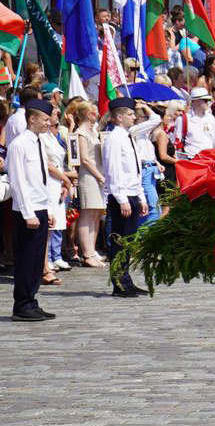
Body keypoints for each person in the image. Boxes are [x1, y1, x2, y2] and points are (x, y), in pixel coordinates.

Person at [7, 99, 60, 321]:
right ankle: (22, 305)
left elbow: (41, 179)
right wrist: (28, 212)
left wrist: (47, 208)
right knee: (27, 259)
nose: (49, 123)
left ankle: (31, 299)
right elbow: (18, 181)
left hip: (39, 207)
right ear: (32, 119)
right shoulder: (19, 144)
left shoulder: (38, 142)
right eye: (46, 119)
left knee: (38, 260)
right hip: (26, 211)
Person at [101, 97, 150, 297]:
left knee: (128, 241)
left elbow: (134, 170)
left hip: (131, 193)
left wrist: (141, 197)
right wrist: (121, 198)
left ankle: (126, 279)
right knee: (120, 241)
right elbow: (113, 171)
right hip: (121, 196)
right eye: (130, 114)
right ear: (119, 117)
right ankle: (119, 283)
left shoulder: (128, 136)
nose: (134, 117)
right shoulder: (114, 138)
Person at [68, 102, 107, 267]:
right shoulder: (81, 133)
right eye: (95, 111)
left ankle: (92, 251)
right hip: (89, 176)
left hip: (97, 175)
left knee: (96, 215)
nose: (97, 114)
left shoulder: (93, 131)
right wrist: (99, 176)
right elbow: (84, 159)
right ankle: (87, 253)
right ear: (89, 114)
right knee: (88, 214)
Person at [180, 88, 215, 157]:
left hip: (209, 158)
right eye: (205, 100)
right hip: (191, 158)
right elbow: (178, 141)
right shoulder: (183, 118)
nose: (208, 103)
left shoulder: (211, 118)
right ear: (195, 101)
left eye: (208, 100)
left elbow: (214, 139)